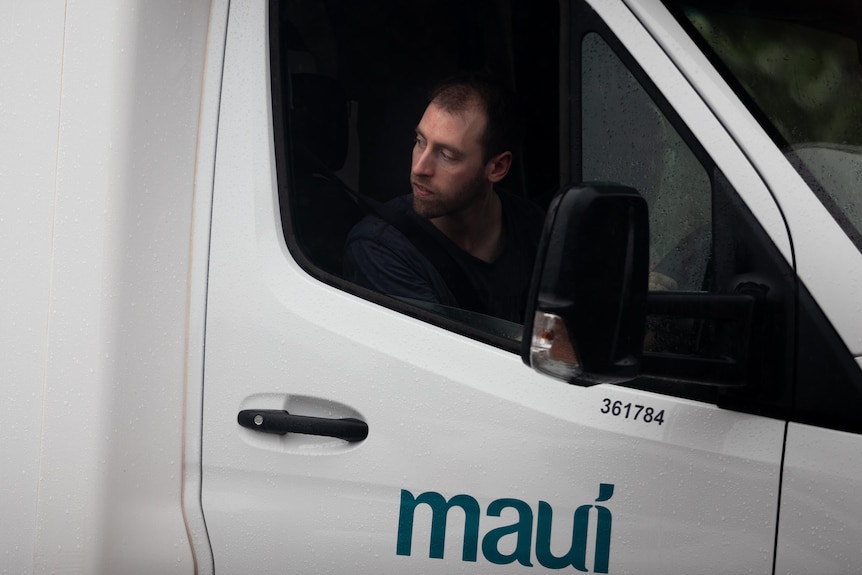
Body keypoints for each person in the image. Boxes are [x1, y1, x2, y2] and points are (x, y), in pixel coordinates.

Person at [343, 74, 545, 324]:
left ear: (497, 167)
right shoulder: (380, 248)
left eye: (447, 155)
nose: (419, 167)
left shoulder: (532, 226)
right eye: (420, 142)